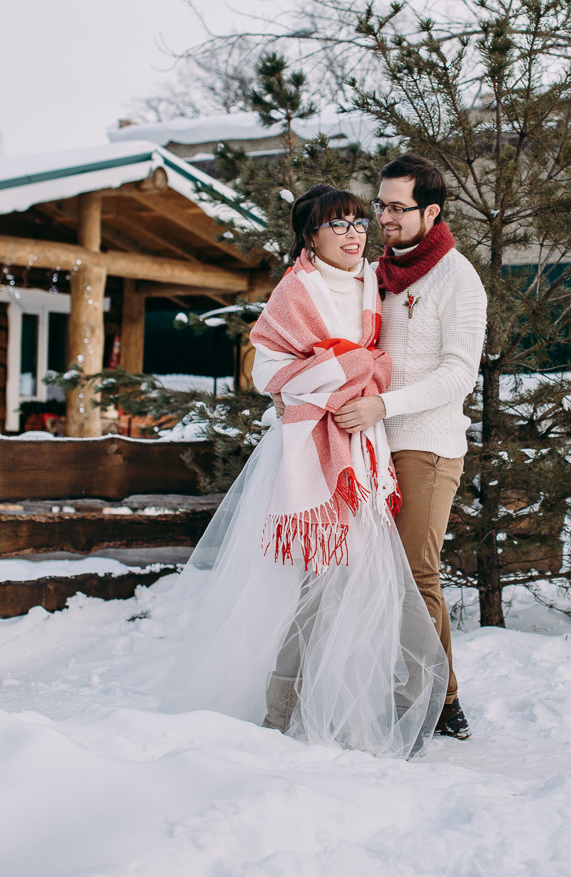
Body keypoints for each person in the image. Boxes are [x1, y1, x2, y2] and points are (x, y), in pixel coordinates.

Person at [159, 184, 447, 760]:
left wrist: (356, 371)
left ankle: (371, 703)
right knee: (311, 586)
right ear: (309, 237)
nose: (353, 233)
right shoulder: (298, 289)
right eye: (337, 225)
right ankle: (279, 710)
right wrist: (347, 367)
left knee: (364, 583)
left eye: (358, 221)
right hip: (309, 456)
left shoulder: (372, 282)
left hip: (360, 450)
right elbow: (272, 370)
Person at [332, 154, 487, 740]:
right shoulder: (374, 275)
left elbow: (458, 373)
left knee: (416, 573)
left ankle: (439, 700)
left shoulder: (456, 278)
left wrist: (385, 406)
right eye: (381, 205)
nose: (384, 217)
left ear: (431, 211)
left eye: (398, 208)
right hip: (367, 443)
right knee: (365, 574)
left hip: (427, 443)